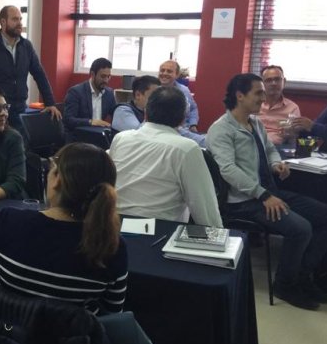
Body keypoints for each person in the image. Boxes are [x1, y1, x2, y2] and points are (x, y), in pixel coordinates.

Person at [0, 142, 127, 315]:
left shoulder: (7, 222)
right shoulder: (112, 246)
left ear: (57, 180)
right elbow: (112, 313)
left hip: (2, 337)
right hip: (74, 342)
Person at [207, 74, 327, 311]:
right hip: (243, 201)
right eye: (258, 93)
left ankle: (303, 277)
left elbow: (270, 149)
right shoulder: (221, 129)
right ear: (240, 96)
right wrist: (263, 195)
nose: (263, 97)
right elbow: (228, 170)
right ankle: (285, 285)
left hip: (269, 192)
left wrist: (275, 164)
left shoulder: (255, 123)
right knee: (301, 229)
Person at [109, 86, 222, 226]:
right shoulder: (186, 149)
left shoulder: (121, 139)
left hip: (114, 227)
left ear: (146, 113)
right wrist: (219, 235)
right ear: (183, 119)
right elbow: (205, 211)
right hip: (158, 231)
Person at [0, 5, 61, 133]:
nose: (19, 23)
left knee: (21, 143)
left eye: (20, 19)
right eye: (14, 19)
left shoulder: (26, 46)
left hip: (20, 109)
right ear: (3, 22)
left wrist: (50, 103)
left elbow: (39, 74)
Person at [63, 57, 116, 130]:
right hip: (80, 134)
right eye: (103, 76)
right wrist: (90, 122)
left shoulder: (109, 93)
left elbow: (116, 114)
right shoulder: (75, 92)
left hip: (99, 133)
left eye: (108, 76)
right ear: (93, 74)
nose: (106, 80)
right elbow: (68, 120)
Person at [257, 65, 300, 146]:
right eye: (269, 80)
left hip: (277, 148)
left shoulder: (292, 108)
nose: (274, 83)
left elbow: (294, 135)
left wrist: (290, 132)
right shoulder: (254, 103)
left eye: (277, 79)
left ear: (284, 82)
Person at [158, 60, 199, 131]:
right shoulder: (152, 90)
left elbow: (193, 108)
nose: (164, 73)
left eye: (169, 71)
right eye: (162, 70)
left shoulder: (184, 90)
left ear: (177, 75)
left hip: (183, 130)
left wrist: (193, 124)